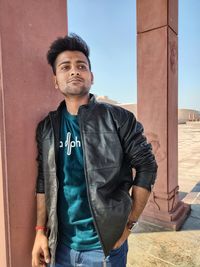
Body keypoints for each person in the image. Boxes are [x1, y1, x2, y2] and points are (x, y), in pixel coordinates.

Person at [31, 34, 158, 267]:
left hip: (104, 248)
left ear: (92, 77)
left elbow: (147, 165)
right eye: (65, 66)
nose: (74, 71)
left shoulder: (118, 118)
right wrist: (40, 231)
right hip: (59, 245)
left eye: (81, 66)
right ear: (55, 81)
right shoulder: (47, 127)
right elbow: (44, 181)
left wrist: (129, 225)